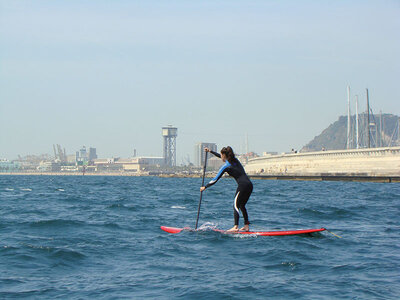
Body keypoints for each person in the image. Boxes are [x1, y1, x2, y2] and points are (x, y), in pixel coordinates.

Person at [200, 146, 253, 232]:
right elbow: (221, 156)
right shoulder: (235, 160)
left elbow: (215, 179)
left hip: (243, 186)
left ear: (224, 155)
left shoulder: (226, 167)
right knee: (242, 205)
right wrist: (211, 151)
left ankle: (235, 226)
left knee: (235, 204)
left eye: (221, 155)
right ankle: (246, 225)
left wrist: (205, 187)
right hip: (249, 185)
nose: (220, 157)